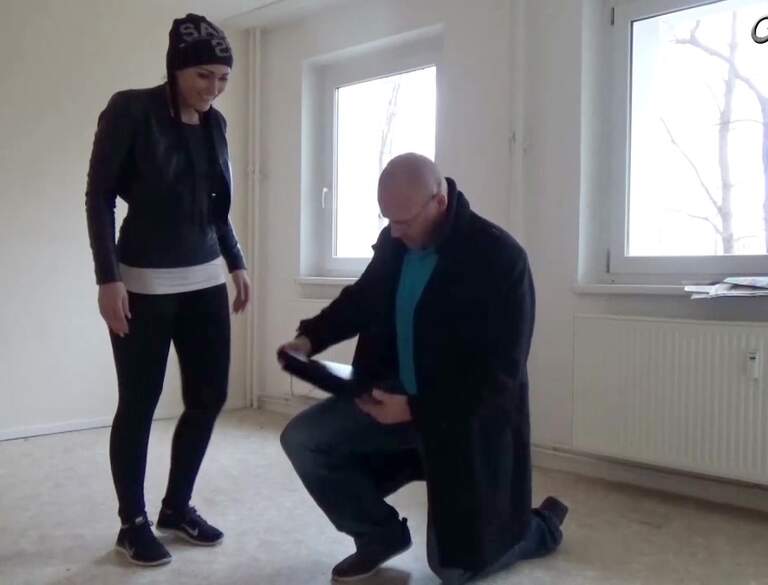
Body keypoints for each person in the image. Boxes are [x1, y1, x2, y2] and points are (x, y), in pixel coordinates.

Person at [278, 153, 567, 583]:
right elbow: (361, 299)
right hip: (392, 403)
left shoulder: (500, 260)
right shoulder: (396, 242)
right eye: (388, 220)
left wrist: (416, 407)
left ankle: (537, 527)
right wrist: (309, 338)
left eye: (404, 221)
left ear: (439, 202)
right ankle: (378, 536)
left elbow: (499, 377)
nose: (394, 232)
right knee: (304, 439)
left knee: (454, 571)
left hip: (460, 425)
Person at [84, 13, 250, 567]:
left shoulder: (216, 125)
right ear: (176, 68)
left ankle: (176, 507)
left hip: (204, 280)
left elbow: (216, 206)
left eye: (222, 79)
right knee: (139, 402)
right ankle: (131, 523)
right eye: (203, 76)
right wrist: (108, 277)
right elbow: (99, 197)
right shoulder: (131, 110)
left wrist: (236, 262)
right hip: (142, 282)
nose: (213, 89)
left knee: (209, 396)